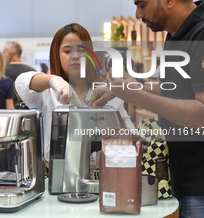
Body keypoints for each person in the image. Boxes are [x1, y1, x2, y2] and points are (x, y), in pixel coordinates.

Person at [89, 0, 204, 217]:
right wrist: (127, 88)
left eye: (142, 4)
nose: (138, 13)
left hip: (203, 183)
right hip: (180, 173)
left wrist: (134, 95)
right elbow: (177, 88)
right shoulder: (176, 35)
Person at [15, 23, 135, 163]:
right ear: (57, 55)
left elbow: (134, 140)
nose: (75, 56)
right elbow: (20, 83)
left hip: (102, 176)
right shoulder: (47, 93)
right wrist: (54, 80)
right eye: (67, 51)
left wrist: (119, 125)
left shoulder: (107, 93)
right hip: (57, 175)